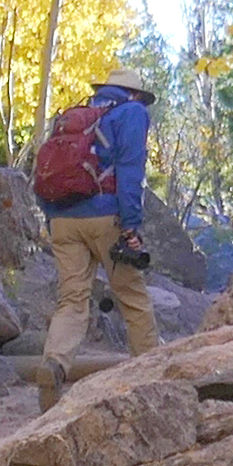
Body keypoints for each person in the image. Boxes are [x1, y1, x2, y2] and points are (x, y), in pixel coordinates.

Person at [26, 69, 161, 392]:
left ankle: (54, 363)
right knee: (132, 297)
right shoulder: (132, 113)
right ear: (135, 94)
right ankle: (154, 379)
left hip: (62, 220)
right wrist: (131, 226)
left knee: (72, 300)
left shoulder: (73, 117)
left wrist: (51, 218)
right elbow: (130, 172)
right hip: (106, 217)